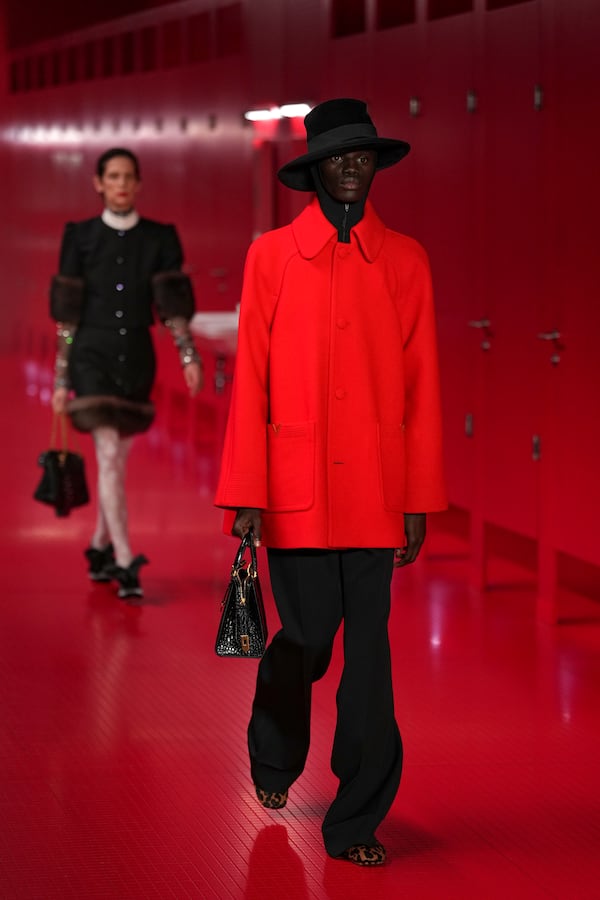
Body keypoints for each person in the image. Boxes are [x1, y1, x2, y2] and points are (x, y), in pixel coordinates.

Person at [214, 99, 446, 866]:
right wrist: (245, 492)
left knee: (370, 661)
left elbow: (422, 386)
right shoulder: (271, 257)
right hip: (293, 488)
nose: (353, 166)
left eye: (364, 154)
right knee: (306, 642)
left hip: (377, 492)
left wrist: (418, 497)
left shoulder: (407, 260)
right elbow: (250, 379)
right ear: (313, 170)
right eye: (339, 156)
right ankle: (276, 750)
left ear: (376, 165)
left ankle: (355, 820)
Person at [51, 147, 203, 600]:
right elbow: (68, 316)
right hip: (91, 357)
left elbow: (173, 309)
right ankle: (123, 559)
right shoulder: (78, 237)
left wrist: (189, 356)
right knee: (110, 456)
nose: (121, 184)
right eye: (112, 176)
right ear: (98, 182)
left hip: (136, 357)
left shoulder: (160, 238)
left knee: (116, 462)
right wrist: (62, 377)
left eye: (128, 176)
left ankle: (98, 547)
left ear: (138, 184)